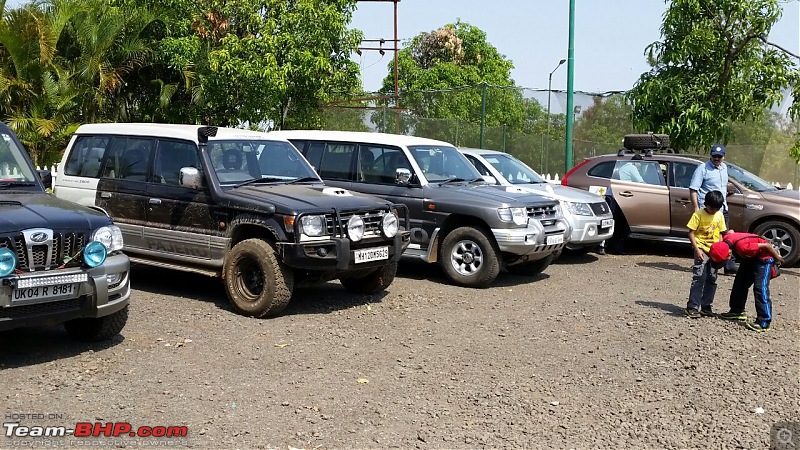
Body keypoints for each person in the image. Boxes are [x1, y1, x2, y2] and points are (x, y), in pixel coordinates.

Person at [708, 232, 784, 332]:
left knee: (760, 288)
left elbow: (767, 246)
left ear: (729, 253)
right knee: (740, 283)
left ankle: (764, 321)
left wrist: (778, 259)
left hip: (764, 259)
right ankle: (737, 311)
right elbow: (731, 231)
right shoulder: (726, 240)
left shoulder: (743, 247)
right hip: (750, 257)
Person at [690, 144, 736, 274]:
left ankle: (727, 265)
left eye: (719, 156)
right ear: (710, 155)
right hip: (708, 210)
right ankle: (706, 263)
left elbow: (724, 186)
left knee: (724, 236)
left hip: (722, 208)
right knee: (707, 237)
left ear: (723, 157)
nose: (716, 158)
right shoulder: (702, 169)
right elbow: (693, 189)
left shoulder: (724, 168)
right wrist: (696, 208)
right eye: (714, 156)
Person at [685, 190, 727, 318]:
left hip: (714, 251)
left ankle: (706, 306)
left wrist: (722, 248)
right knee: (699, 277)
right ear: (706, 204)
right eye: (711, 207)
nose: (713, 210)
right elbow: (691, 232)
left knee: (712, 278)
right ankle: (692, 307)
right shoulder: (698, 215)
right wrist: (697, 249)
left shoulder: (719, 216)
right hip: (701, 249)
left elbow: (721, 233)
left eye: (716, 208)